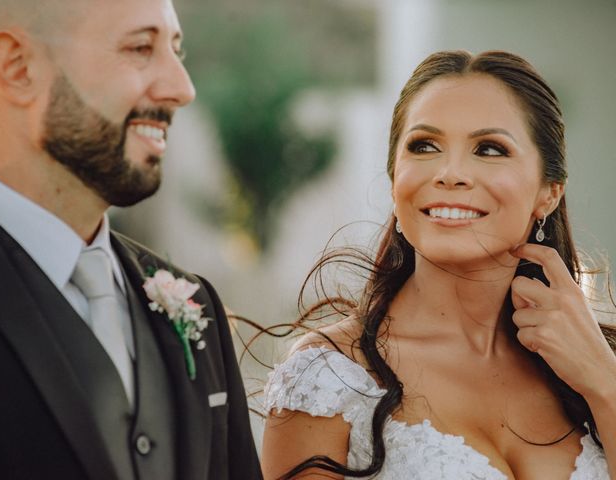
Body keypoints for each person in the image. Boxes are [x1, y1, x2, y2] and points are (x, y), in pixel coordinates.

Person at [262, 50, 616, 479]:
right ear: (395, 179)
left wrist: (604, 383)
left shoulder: (596, 365)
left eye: (489, 149)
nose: (450, 173)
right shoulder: (329, 376)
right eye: (424, 146)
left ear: (549, 192)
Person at [0, 0, 262, 478]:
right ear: (18, 67)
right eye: (140, 48)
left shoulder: (196, 304)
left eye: (177, 50)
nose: (182, 89)